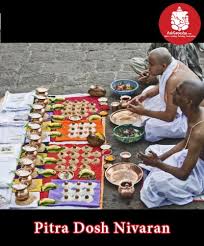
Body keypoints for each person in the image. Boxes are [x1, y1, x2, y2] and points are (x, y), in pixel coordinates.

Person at [138, 79, 204, 208]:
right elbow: (186, 141)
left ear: (188, 101)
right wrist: (161, 158)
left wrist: (157, 163)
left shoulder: (199, 132)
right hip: (193, 154)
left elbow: (183, 174)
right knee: (153, 151)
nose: (172, 92)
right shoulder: (195, 111)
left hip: (199, 168)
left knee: (157, 183)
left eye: (178, 92)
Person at [127, 47, 200, 142]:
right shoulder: (172, 64)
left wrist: (144, 112)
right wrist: (143, 96)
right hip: (181, 102)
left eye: (151, 65)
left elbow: (169, 117)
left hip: (193, 116)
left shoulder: (173, 80)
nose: (148, 67)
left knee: (151, 127)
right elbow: (160, 86)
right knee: (148, 91)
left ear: (163, 66)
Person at [130, 43, 203, 83]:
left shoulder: (178, 45)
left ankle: (159, 79)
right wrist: (149, 70)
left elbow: (179, 72)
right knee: (134, 62)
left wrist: (155, 78)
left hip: (188, 80)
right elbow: (150, 57)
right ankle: (158, 77)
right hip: (164, 67)